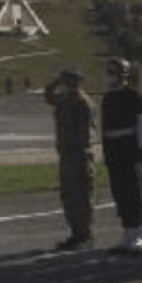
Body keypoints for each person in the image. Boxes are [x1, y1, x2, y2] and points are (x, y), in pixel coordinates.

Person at [102, 58, 142, 255]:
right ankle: (127, 231)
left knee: (134, 193)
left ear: (124, 75)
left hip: (131, 151)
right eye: (109, 72)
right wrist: (107, 155)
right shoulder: (107, 98)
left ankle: (139, 233)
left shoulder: (136, 98)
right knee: (120, 193)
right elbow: (105, 130)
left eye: (115, 72)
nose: (111, 76)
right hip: (114, 151)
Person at [45, 69, 96, 251]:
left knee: (81, 195)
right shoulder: (65, 100)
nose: (66, 85)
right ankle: (76, 233)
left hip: (79, 154)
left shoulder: (82, 103)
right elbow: (49, 97)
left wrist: (73, 148)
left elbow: (84, 133)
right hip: (66, 154)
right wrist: (55, 83)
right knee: (68, 196)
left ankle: (84, 234)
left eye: (69, 82)